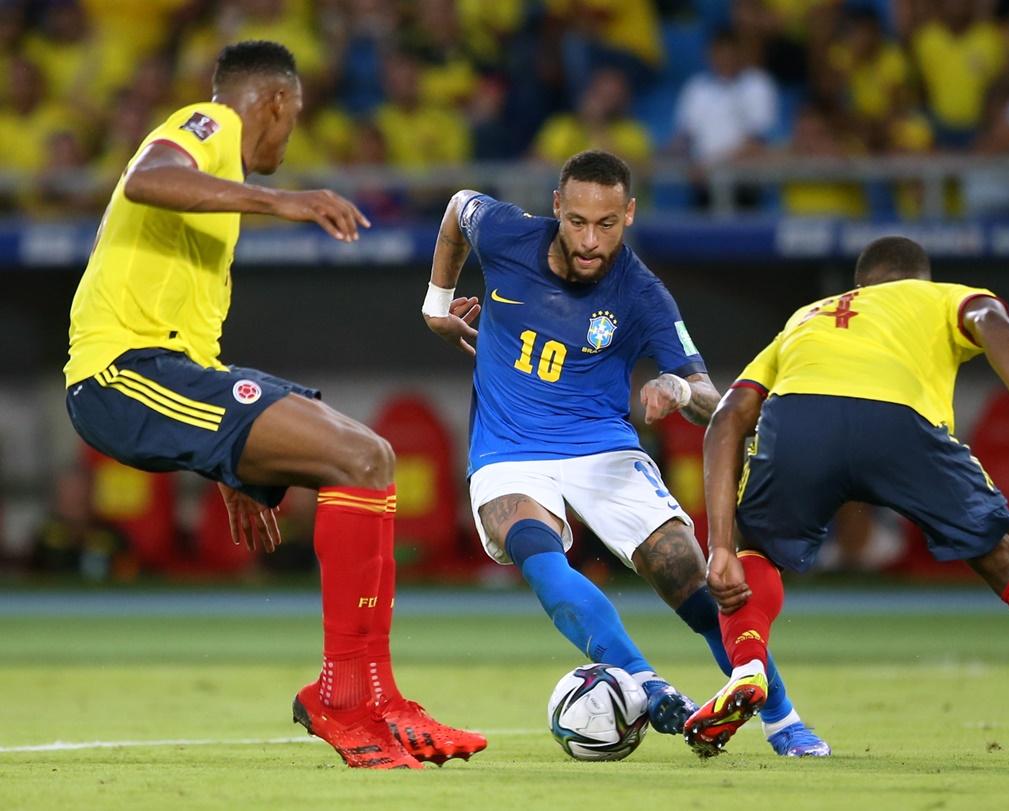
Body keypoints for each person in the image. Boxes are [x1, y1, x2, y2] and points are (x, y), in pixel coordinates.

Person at [63, 40, 485, 770]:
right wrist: (280, 202)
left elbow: (190, 356)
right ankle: (345, 695)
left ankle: (374, 693)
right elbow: (147, 180)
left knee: (368, 459)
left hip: (163, 372)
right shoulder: (212, 124)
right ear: (278, 104)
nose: (291, 139)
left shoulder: (212, 216)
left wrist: (232, 468)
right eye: (295, 119)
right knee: (358, 455)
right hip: (115, 374)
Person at [685, 236, 1009, 768]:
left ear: (859, 288)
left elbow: (729, 413)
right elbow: (993, 322)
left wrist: (722, 546)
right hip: (899, 425)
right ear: (921, 277)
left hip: (800, 420)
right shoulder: (938, 296)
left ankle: (749, 666)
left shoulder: (808, 316)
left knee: (755, 552)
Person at [421, 149, 828, 757]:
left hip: (602, 448)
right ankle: (647, 683)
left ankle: (782, 718)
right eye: (578, 221)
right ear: (556, 206)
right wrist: (435, 306)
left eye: (606, 224)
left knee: (687, 573)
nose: (590, 240)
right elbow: (457, 208)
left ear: (629, 215)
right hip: (509, 453)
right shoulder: (507, 234)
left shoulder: (641, 293)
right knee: (538, 552)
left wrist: (679, 387)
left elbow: (712, 399)